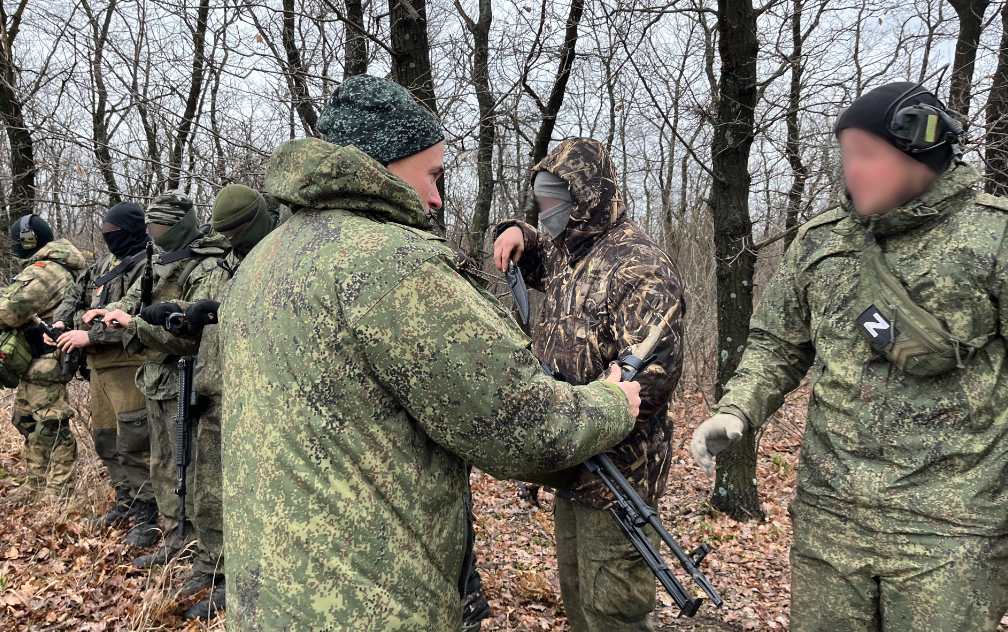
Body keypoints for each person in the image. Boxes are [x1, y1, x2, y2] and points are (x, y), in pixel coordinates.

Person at [218, 73, 642, 631]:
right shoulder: (392, 265)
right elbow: (521, 423)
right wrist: (613, 402)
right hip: (365, 605)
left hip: (267, 596)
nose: (438, 197)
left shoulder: (262, 261)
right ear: (383, 167)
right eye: (433, 175)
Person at [690, 81, 1008, 631]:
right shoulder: (822, 242)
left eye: (868, 155)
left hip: (950, 529)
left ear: (920, 154)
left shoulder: (993, 238)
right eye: (846, 155)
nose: (851, 170)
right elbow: (776, 344)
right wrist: (736, 409)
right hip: (829, 519)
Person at [492, 137, 685, 632]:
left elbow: (653, 372)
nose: (548, 210)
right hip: (571, 462)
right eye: (542, 199)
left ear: (589, 195)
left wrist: (584, 410)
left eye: (558, 198)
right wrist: (518, 232)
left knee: (613, 613)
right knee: (578, 602)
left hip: (620, 471)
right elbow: (541, 260)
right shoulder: (567, 250)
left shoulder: (640, 264)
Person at [137, 184, 289, 620]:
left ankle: (242, 578)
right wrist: (186, 311)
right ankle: (211, 565)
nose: (231, 238)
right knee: (206, 485)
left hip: (260, 392)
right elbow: (220, 309)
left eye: (238, 230)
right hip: (215, 386)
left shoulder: (282, 252)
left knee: (253, 495)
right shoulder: (230, 258)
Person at [85, 191, 229, 583]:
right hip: (157, 380)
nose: (153, 233)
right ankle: (175, 537)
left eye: (160, 226)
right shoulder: (157, 261)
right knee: (163, 463)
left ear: (179, 224)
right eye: (150, 226)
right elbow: (133, 303)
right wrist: (112, 314)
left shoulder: (208, 265)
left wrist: (135, 326)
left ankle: (209, 555)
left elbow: (195, 337)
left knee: (196, 473)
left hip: (190, 381)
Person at [52, 202, 156, 534]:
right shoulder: (103, 264)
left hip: (131, 365)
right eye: (106, 233)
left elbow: (135, 317)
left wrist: (89, 335)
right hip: (99, 367)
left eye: (116, 233)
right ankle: (125, 500)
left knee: (136, 441)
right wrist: (60, 321)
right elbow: (76, 291)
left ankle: (149, 511)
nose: (110, 239)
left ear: (132, 231)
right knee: (106, 439)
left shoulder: (150, 265)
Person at [0, 215, 86, 498]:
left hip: (48, 357)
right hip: (34, 359)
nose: (14, 247)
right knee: (25, 420)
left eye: (18, 241)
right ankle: (37, 484)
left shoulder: (48, 271)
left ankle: (59, 494)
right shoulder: (42, 268)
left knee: (51, 425)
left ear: (29, 240)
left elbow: (10, 311)